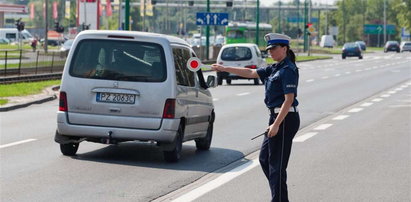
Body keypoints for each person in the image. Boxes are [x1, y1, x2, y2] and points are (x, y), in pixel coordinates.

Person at [211, 33, 300, 202]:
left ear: (284, 48)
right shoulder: (275, 68)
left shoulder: (288, 70)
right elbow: (251, 72)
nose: (270, 52)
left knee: (276, 166)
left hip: (285, 119)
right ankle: (281, 197)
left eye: (273, 48)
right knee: (265, 159)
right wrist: (225, 68)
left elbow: (288, 101)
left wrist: (276, 125)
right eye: (269, 49)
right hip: (276, 118)